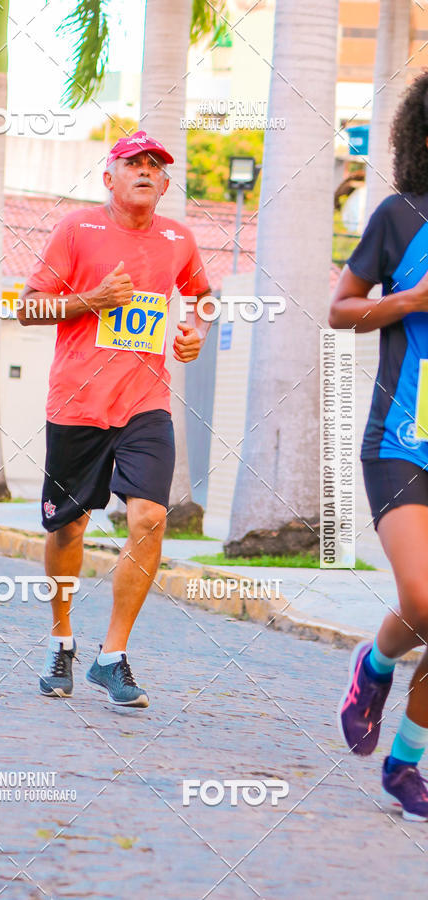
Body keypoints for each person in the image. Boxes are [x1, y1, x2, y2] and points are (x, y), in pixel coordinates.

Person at [18, 131, 211, 708]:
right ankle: (62, 640)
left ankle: (112, 657)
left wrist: (193, 332)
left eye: (156, 165)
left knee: (150, 517)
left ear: (166, 183)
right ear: (110, 178)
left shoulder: (179, 238)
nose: (146, 171)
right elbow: (28, 307)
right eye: (134, 164)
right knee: (67, 529)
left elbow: (200, 294)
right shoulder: (77, 230)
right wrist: (92, 300)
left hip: (146, 403)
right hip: (77, 404)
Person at [331, 72, 428, 820]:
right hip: (403, 439)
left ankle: (405, 763)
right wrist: (410, 302)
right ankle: (377, 660)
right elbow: (342, 309)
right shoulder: (399, 217)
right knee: (426, 598)